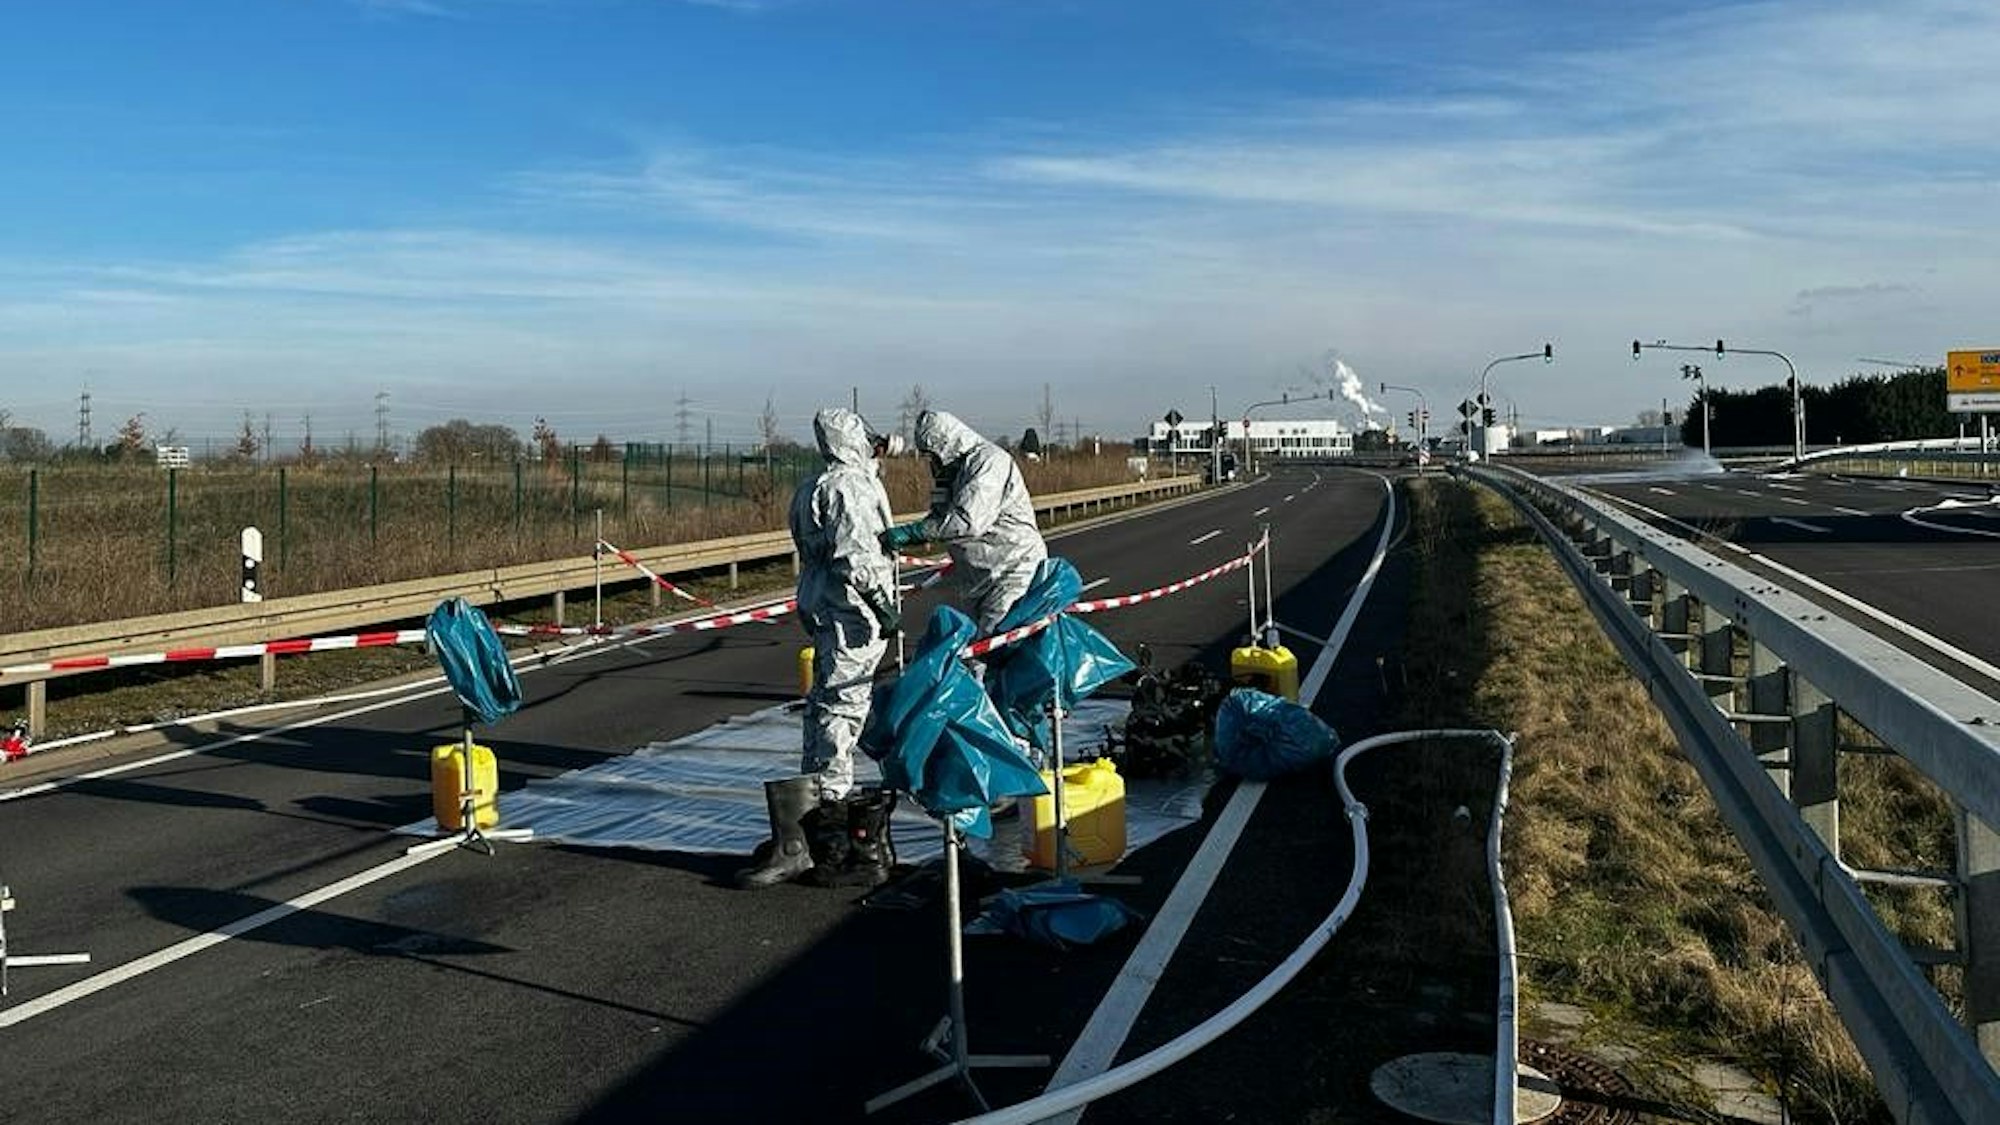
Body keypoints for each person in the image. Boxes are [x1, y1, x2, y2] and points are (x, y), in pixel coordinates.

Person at [736, 408, 902, 889]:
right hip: (853, 614)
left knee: (823, 706)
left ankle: (803, 830)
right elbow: (856, 555)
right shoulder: (850, 487)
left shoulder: (814, 485)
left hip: (823, 604)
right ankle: (832, 828)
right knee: (842, 710)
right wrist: (881, 605)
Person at [882, 409, 1048, 634]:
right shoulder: (951, 473)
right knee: (979, 644)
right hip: (978, 578)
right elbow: (939, 517)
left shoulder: (989, 462)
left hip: (1012, 569)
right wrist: (917, 534)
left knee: (995, 643)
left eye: (932, 455)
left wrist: (915, 532)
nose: (931, 463)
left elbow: (967, 521)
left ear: (946, 445)